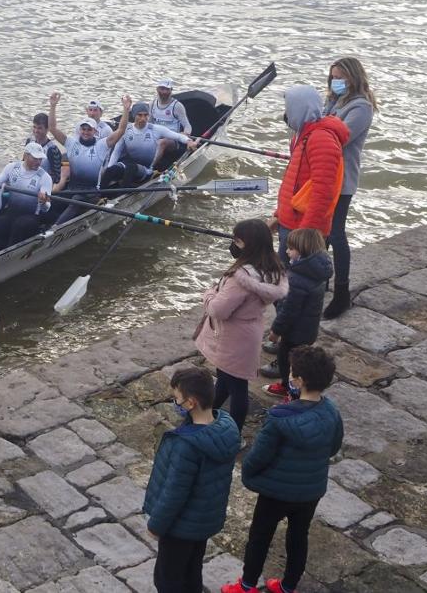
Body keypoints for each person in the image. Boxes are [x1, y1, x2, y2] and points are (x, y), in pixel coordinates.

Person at [221, 346, 343, 593]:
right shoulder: (331, 411)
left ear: (299, 381)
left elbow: (258, 456)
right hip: (310, 491)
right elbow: (333, 446)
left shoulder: (280, 418)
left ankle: (246, 586)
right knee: (298, 538)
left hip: (276, 493)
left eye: (292, 374)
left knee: (260, 537)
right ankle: (288, 587)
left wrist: (249, 474)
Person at [143, 367, 240, 593]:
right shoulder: (226, 426)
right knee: (192, 571)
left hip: (180, 526)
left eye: (177, 399)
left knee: (167, 580)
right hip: (203, 520)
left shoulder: (187, 446)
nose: (175, 403)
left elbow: (174, 493)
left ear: (190, 403)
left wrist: (156, 525)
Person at [194, 219, 288, 433]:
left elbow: (219, 310)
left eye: (237, 240)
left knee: (237, 387)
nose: (234, 244)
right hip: (250, 330)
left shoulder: (241, 278)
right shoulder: (272, 267)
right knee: (227, 379)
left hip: (233, 336)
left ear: (248, 244)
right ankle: (207, 413)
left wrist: (209, 294)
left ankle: (233, 433)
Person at [321, 57, 377, 319]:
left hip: (342, 180)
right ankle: (320, 279)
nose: (336, 82)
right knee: (320, 232)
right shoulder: (333, 101)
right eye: (333, 77)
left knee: (337, 233)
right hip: (322, 176)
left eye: (341, 77)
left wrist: (315, 126)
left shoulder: (361, 107)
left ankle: (341, 292)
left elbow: (338, 137)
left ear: (353, 78)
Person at [272, 85, 348, 263]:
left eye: (288, 108)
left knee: (297, 283)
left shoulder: (320, 139)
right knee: (285, 281)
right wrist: (279, 215)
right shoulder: (304, 135)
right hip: (291, 222)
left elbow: (323, 193)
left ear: (299, 108)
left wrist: (305, 235)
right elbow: (294, 184)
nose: (286, 113)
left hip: (301, 228)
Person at [261, 228, 332, 399]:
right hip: (309, 328)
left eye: (290, 249)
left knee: (287, 360)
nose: (286, 251)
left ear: (302, 251)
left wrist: (276, 331)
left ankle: (288, 388)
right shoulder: (318, 271)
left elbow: (290, 310)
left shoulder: (298, 279)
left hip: (295, 332)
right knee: (300, 360)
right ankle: (294, 389)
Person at [48, 106, 127, 225]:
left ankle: (53, 229)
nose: (85, 132)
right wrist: (53, 106)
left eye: (89, 130)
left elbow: (121, 130)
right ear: (80, 130)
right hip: (72, 189)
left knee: (75, 201)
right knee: (53, 201)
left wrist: (126, 109)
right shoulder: (71, 143)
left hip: (91, 193)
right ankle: (47, 226)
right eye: (83, 129)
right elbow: (52, 128)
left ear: (95, 132)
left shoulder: (101, 145)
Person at [0, 142, 53, 255]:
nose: (38, 162)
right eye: (35, 158)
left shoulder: (45, 178)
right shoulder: (11, 168)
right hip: (11, 212)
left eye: (40, 159)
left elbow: (46, 208)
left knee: (19, 226)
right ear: (26, 156)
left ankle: (8, 257)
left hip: (31, 216)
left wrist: (43, 202)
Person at [103, 101, 200, 187]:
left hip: (147, 169)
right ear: (133, 115)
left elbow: (178, 136)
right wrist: (109, 169)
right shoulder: (126, 130)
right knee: (110, 170)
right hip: (130, 165)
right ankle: (99, 195)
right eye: (139, 115)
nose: (143, 118)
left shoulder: (155, 129)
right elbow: (116, 152)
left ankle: (123, 193)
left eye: (146, 115)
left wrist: (189, 141)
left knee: (130, 167)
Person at [151, 78, 193, 167]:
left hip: (172, 140)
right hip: (156, 136)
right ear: (157, 89)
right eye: (162, 89)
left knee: (162, 143)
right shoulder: (152, 104)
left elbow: (187, 126)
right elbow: (149, 124)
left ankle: (150, 168)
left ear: (171, 90)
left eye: (167, 89)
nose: (164, 92)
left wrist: (186, 133)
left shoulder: (177, 106)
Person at [47, 93, 114, 143]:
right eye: (90, 110)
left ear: (101, 113)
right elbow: (52, 128)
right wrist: (53, 106)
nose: (92, 113)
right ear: (87, 111)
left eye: (95, 110)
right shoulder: (79, 126)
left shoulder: (106, 130)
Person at [26, 112, 65, 180]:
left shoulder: (52, 149)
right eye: (34, 127)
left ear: (47, 129)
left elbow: (57, 177)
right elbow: (23, 163)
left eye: (39, 128)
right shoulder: (29, 142)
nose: (36, 131)